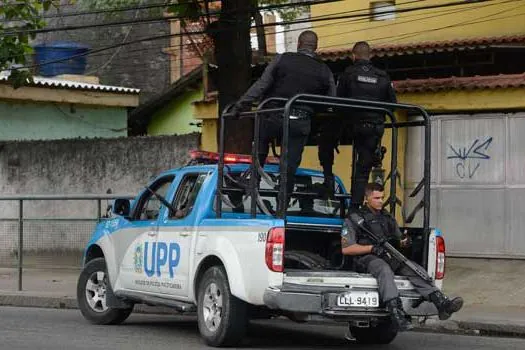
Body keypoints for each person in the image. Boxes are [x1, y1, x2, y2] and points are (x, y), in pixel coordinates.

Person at [231, 30, 336, 210]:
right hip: (300, 122)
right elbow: (331, 101)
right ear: (316, 47)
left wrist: (240, 106)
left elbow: (261, 85)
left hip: (274, 116)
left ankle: (253, 181)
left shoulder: (282, 59)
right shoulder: (324, 70)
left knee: (261, 140)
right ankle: (282, 205)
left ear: (298, 44)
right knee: (290, 165)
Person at [341, 182, 463, 331]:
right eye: (376, 198)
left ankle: (441, 303)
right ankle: (396, 313)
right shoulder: (355, 219)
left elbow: (400, 240)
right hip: (366, 258)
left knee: (414, 269)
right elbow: (347, 249)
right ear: (367, 199)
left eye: (382, 197)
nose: (380, 201)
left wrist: (405, 241)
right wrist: (371, 248)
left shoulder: (387, 217)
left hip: (389, 255)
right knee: (384, 270)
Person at [318, 41, 397, 208]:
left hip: (351, 126)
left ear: (353, 56)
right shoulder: (383, 76)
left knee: (326, 137)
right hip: (374, 127)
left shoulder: (348, 73)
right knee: (363, 170)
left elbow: (339, 102)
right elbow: (393, 104)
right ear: (370, 56)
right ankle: (354, 208)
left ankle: (328, 178)